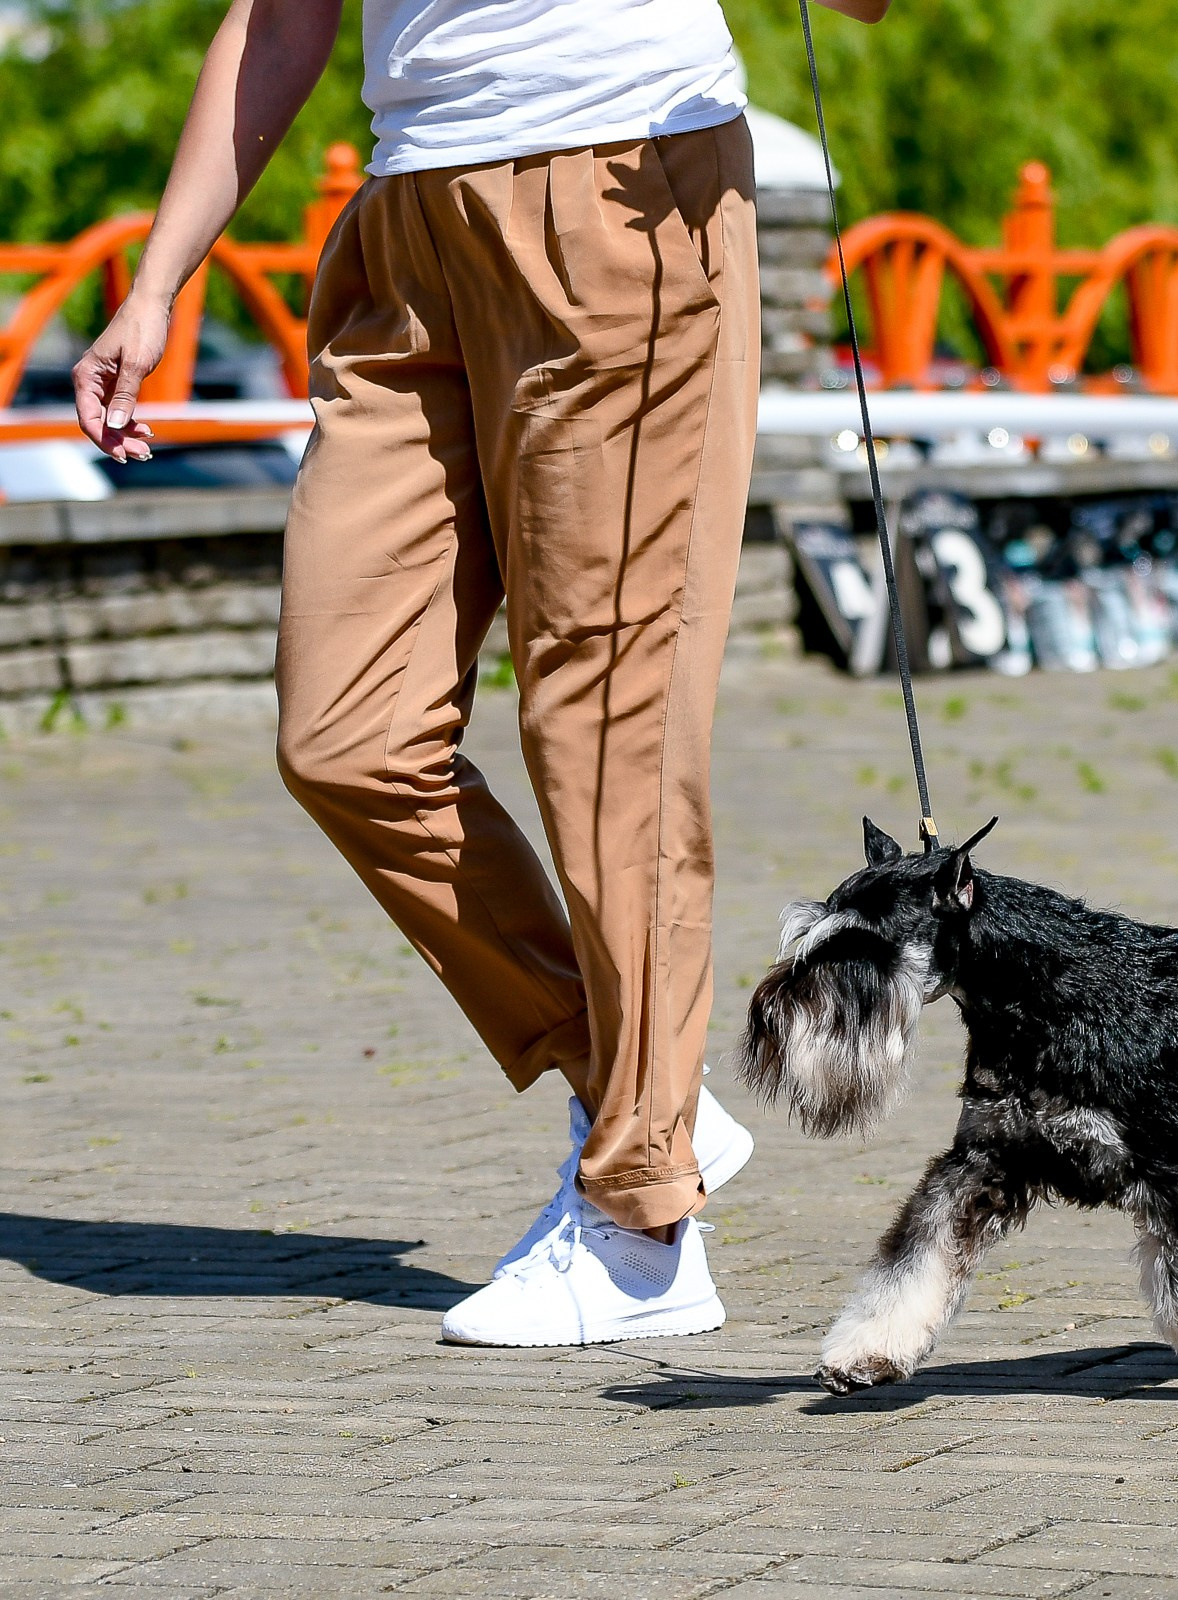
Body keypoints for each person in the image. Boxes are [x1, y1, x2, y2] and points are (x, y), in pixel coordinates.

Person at [71, 0, 892, 1347]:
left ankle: (642, 1235)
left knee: (606, 725)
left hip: (626, 186)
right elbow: (281, 17)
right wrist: (159, 282)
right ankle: (639, 1079)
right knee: (345, 732)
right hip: (408, 222)